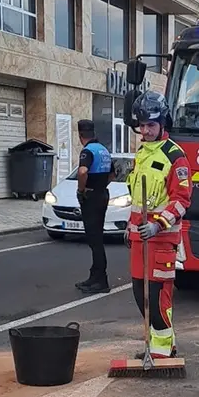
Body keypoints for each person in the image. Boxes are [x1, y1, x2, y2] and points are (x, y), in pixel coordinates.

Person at [125, 91, 192, 359]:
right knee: (138, 293)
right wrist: (129, 229)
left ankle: (163, 351)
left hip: (161, 239)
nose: (146, 130)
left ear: (163, 123)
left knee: (157, 296)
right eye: (142, 126)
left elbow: (182, 199)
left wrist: (158, 225)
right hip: (138, 239)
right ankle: (158, 343)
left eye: (151, 125)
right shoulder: (142, 153)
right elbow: (138, 198)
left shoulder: (175, 156)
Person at [74, 120, 114, 294]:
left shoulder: (88, 151)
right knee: (96, 238)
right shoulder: (103, 150)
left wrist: (81, 190)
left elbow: (82, 171)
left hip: (91, 196)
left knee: (94, 240)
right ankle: (94, 276)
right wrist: (101, 184)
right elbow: (113, 174)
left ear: (80, 135)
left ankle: (100, 280)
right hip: (102, 194)